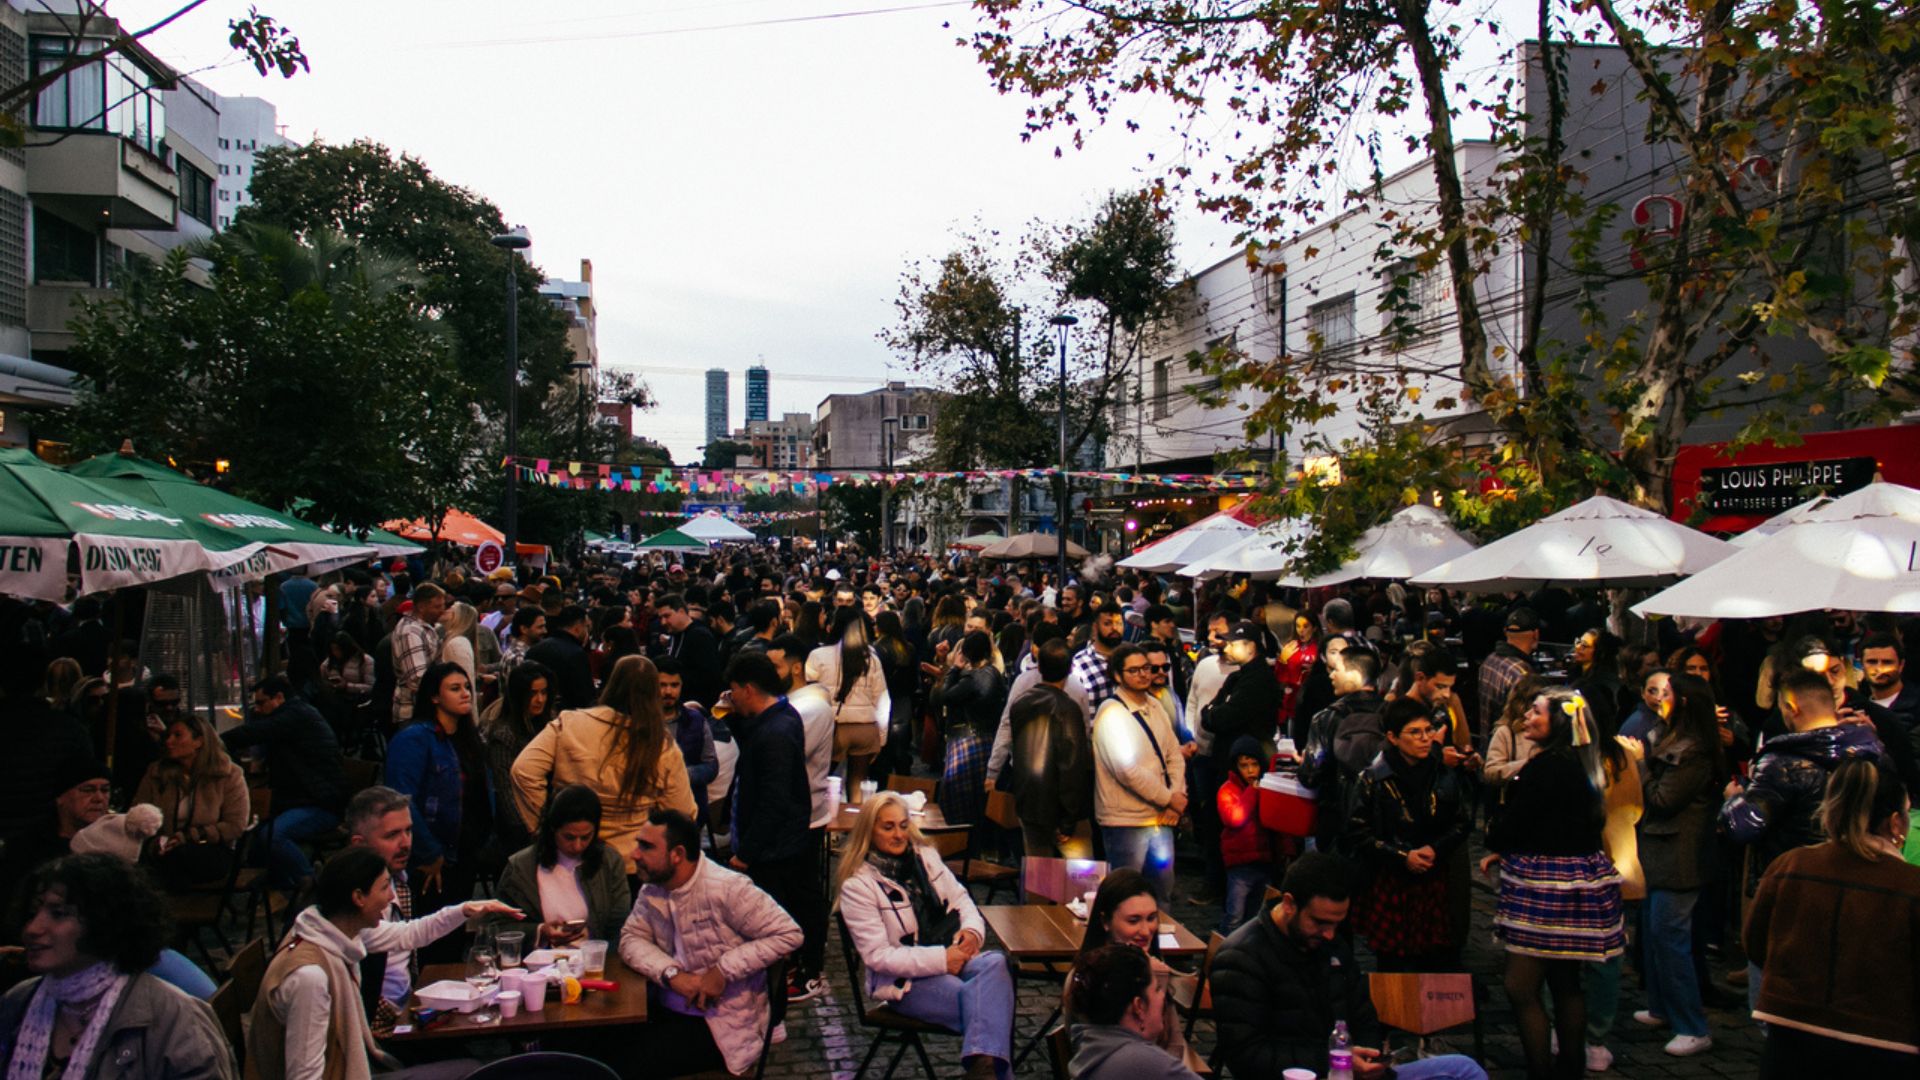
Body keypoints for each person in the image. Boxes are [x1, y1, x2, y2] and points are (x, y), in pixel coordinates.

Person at [1211, 851, 1488, 1080]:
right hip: (1309, 1074)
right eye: (1320, 922)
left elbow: (1363, 1014)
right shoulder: (1241, 957)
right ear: (1289, 904)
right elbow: (1247, 1059)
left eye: (1336, 923)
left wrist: (1371, 1054)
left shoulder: (1331, 945)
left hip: (1349, 1073)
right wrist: (1335, 1061)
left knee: (1465, 1069)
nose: (1330, 934)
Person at [1480, 687, 1627, 1080]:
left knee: (1521, 985)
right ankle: (1571, 1068)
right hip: (1580, 880)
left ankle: (1541, 1071)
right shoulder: (1583, 764)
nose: (1527, 715)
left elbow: (1514, 824)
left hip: (1542, 886)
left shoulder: (1544, 768)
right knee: (1565, 982)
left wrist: (1497, 837)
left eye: (1536, 711)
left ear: (1557, 722)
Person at [1745, 758, 1920, 1077]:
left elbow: (1756, 944)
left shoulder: (1790, 865)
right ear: (1895, 822)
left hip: (1791, 1040)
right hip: (1884, 1047)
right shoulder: (1911, 886)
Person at [250, 846, 480, 1080]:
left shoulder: (336, 928)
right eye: (384, 888)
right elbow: (304, 1076)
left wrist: (465, 910)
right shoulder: (310, 977)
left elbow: (410, 933)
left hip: (350, 1069)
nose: (391, 897)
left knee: (469, 1066)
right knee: (472, 1072)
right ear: (358, 897)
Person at [1, 854, 235, 1079]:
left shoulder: (174, 1019)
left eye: (58, 914)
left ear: (104, 921)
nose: (33, 929)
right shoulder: (18, 1002)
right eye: (33, 913)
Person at [834, 792, 1014, 1080]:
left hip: (951, 957)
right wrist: (943, 959)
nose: (899, 834)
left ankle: (984, 1072)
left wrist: (970, 932)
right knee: (991, 1007)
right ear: (869, 830)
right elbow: (878, 957)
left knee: (995, 964)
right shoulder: (859, 886)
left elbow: (961, 899)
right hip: (904, 983)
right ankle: (987, 1072)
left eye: (904, 825)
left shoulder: (926, 858)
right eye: (888, 827)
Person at [619, 808, 802, 1078]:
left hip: (722, 1023)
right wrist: (672, 974)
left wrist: (723, 969)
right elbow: (630, 938)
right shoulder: (653, 889)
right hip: (668, 1009)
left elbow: (789, 934)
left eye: (646, 846)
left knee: (625, 1065)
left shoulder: (727, 888)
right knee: (600, 1044)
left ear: (677, 854)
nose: (635, 854)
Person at [343, 786, 523, 1017]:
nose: (406, 843)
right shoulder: (350, 902)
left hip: (409, 1009)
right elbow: (407, 934)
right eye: (392, 835)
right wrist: (465, 910)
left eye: (408, 831)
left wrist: (465, 909)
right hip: (374, 1022)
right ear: (359, 843)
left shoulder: (401, 881)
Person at [510, 654, 697, 877]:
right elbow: (683, 812)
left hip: (571, 854)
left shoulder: (569, 723)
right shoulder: (661, 746)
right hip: (632, 861)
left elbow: (523, 771)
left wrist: (546, 828)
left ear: (612, 683)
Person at [1631, 671, 1727, 1059]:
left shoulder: (1695, 749)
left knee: (1670, 936)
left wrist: (1640, 764)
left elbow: (1664, 799)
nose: (1660, 698)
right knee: (1654, 932)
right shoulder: (1668, 735)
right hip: (1659, 850)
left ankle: (1692, 1025)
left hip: (1680, 855)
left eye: (1667, 693)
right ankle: (1662, 1007)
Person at [724, 651, 829, 1004]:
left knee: (784, 915)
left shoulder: (778, 730)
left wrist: (746, 852)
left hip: (777, 847)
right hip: (780, 841)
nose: (731, 696)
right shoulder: (777, 718)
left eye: (734, 690)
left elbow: (774, 799)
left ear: (749, 689)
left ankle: (791, 980)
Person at [1343, 698, 1472, 971]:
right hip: (1391, 880)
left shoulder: (1442, 773)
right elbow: (1357, 831)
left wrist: (1436, 849)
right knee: (1394, 966)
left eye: (1428, 731)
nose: (1425, 739)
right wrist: (1402, 856)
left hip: (1434, 878)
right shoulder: (1373, 778)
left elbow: (1462, 821)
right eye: (1415, 732)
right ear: (1392, 737)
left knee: (1437, 960)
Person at [221, 674, 347, 891]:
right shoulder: (297, 714)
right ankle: (277, 889)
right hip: (306, 798)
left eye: (261, 703)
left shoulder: (294, 716)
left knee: (271, 836)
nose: (258, 709)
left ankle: (311, 886)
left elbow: (254, 733)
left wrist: (214, 741)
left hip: (320, 803)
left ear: (278, 697)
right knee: (256, 840)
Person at [385, 662, 493, 913]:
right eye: (455, 688)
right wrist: (429, 852)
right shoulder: (415, 738)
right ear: (434, 696)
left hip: (469, 848)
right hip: (435, 854)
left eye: (467, 687)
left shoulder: (470, 737)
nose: (465, 693)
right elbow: (401, 799)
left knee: (457, 922)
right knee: (433, 930)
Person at [1091, 644, 1186, 903]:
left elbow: (1173, 755)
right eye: (1134, 670)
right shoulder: (1111, 714)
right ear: (1118, 676)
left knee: (1162, 893)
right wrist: (1168, 798)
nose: (1144, 675)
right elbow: (1126, 770)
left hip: (1161, 820)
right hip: (1125, 822)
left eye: (1147, 668)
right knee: (1125, 897)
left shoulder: (1155, 706)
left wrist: (1175, 798)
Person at [1071, 869, 1189, 1064]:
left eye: (1151, 918)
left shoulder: (1150, 966)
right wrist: (1156, 982)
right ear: (1105, 922)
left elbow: (1174, 1044)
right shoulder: (1091, 981)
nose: (1145, 931)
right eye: (1133, 921)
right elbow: (1137, 1054)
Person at [492, 783, 631, 946]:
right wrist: (540, 931)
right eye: (569, 837)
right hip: (540, 962)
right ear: (553, 830)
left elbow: (620, 923)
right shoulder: (521, 866)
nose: (578, 846)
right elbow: (497, 927)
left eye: (586, 837)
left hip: (594, 960)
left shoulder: (609, 861)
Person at [997, 638, 1095, 858]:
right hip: (1061, 809)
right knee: (1080, 879)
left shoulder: (1021, 703)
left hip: (1030, 804)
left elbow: (1018, 754)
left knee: (1038, 881)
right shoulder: (1068, 709)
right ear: (1070, 669)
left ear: (1039, 667)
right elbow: (1072, 765)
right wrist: (1069, 820)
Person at [132, 712, 250, 888]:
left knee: (179, 860)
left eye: (177, 735)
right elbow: (137, 813)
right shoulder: (157, 773)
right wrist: (156, 842)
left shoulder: (228, 774)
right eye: (168, 736)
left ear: (199, 741)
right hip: (162, 850)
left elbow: (235, 825)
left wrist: (188, 836)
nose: (169, 741)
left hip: (209, 849)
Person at [1065, 944, 1200, 1080]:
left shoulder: (1091, 1046)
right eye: (1157, 988)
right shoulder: (1145, 1063)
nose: (1163, 996)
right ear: (1139, 1006)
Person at [807, 607, 891, 796]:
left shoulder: (818, 656)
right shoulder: (871, 658)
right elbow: (882, 699)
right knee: (857, 787)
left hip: (833, 729)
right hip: (865, 728)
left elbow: (810, 694)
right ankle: (855, 823)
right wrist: (882, 737)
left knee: (819, 783)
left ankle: (824, 821)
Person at [477, 660, 556, 853]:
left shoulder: (550, 724)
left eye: (544, 692)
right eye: (533, 693)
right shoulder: (504, 735)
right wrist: (533, 832)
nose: (540, 700)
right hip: (522, 831)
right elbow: (505, 792)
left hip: (549, 818)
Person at [936, 630, 1007, 826]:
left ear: (966, 652)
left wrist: (954, 670)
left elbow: (945, 696)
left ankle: (961, 843)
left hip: (965, 739)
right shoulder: (995, 674)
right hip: (987, 739)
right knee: (980, 799)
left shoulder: (972, 679)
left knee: (958, 799)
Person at [1215, 736, 1273, 934]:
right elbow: (1235, 818)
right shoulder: (1228, 790)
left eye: (1254, 765)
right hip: (1240, 864)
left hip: (1264, 860)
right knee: (1234, 916)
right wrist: (1252, 793)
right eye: (1244, 765)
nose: (1250, 770)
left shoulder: (1268, 788)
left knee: (1256, 916)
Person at [653, 656, 719, 816]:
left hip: (689, 811)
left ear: (682, 686)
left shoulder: (696, 720)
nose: (668, 691)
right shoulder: (640, 722)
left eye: (674, 685)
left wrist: (681, 774)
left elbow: (711, 766)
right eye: (662, 685)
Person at [649, 593, 723, 708]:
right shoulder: (675, 634)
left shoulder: (700, 636)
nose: (663, 622)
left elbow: (708, 679)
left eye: (667, 616)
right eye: (661, 618)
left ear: (682, 612)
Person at [1477, 606, 1540, 739]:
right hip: (1508, 749)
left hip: (1488, 745)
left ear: (1506, 632)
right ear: (1535, 634)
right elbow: (1522, 724)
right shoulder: (1522, 673)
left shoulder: (1489, 660)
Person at [390, 583, 446, 726]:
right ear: (421, 607)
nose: (442, 610)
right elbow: (417, 679)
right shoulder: (410, 632)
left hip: (423, 712)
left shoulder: (425, 627)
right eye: (437, 607)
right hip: (412, 714)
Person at [524, 605, 596, 710]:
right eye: (586, 627)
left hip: (534, 712)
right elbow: (584, 697)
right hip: (567, 717)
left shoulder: (535, 649)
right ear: (578, 628)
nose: (587, 632)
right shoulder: (576, 654)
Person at [1069, 605, 1128, 708]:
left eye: (1119, 623)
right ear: (1095, 627)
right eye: (1107, 623)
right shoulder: (1079, 664)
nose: (1114, 628)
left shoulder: (1131, 655)